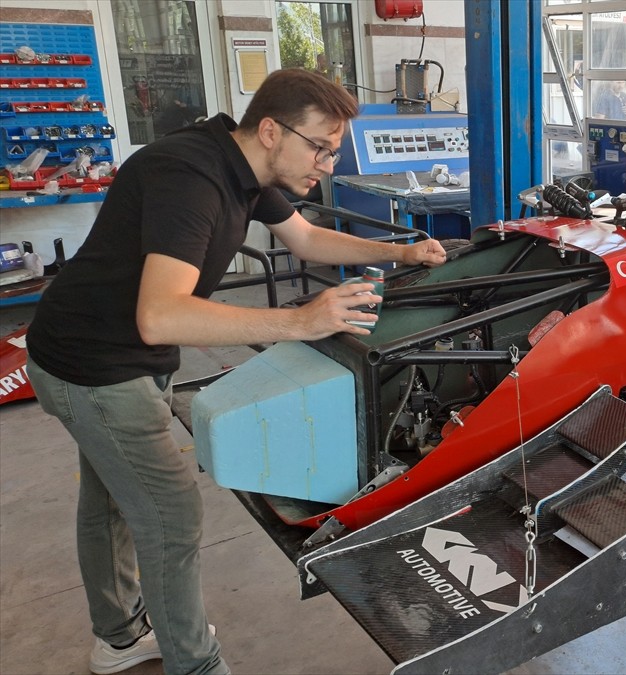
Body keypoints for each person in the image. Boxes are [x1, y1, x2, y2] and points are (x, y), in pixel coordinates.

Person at [25, 68, 447, 675]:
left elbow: (304, 239)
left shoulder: (243, 161)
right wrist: (301, 321)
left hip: (110, 353)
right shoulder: (190, 176)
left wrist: (399, 251)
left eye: (335, 151)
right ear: (272, 130)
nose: (328, 165)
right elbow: (160, 315)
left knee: (113, 501)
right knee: (170, 511)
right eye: (320, 148)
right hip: (94, 363)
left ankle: (118, 639)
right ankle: (195, 666)